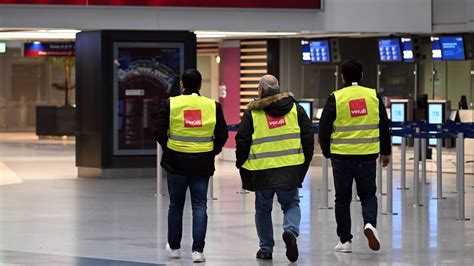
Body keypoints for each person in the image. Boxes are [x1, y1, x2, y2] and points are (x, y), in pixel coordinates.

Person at [235, 75, 314, 262]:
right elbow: (308, 136)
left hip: (262, 171)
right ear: (277, 89)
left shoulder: (253, 113)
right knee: (291, 204)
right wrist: (304, 162)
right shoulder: (295, 108)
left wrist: (241, 164)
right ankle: (290, 232)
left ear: (260, 91)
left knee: (263, 210)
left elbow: (242, 141)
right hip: (289, 168)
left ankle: (265, 249)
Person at [154, 69, 228, 263]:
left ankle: (174, 248)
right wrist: (211, 151)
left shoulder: (171, 104)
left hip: (176, 163)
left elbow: (159, 131)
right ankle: (197, 251)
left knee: (175, 205)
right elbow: (222, 135)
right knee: (200, 206)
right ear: (200, 85)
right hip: (202, 164)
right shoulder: (212, 105)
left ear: (181, 84)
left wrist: (169, 149)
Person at [318, 59, 391, 253]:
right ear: (362, 75)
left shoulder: (336, 97)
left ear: (342, 76)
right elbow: (384, 125)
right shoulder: (373, 95)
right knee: (368, 194)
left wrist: (326, 150)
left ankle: (345, 241)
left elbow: (324, 127)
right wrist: (386, 151)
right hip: (367, 154)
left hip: (341, 155)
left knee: (342, 198)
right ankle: (369, 224)